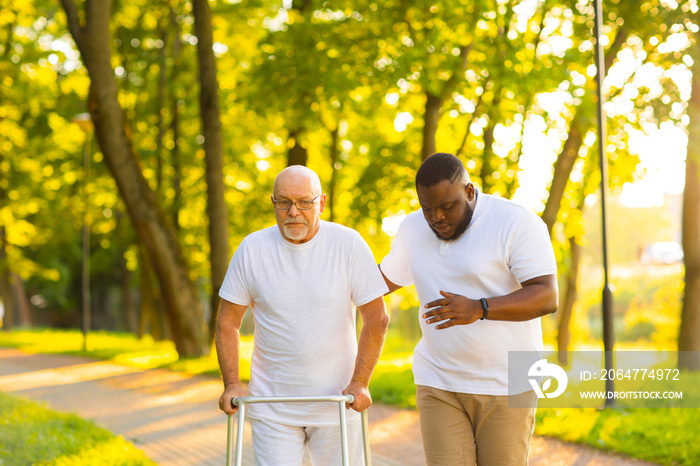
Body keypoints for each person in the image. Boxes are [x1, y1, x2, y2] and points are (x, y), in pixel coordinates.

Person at [379, 153, 558, 466]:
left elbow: (546, 295)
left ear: (470, 192)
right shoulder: (411, 229)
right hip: (439, 381)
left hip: (506, 384)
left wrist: (480, 308)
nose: (437, 217)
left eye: (447, 206)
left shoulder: (515, 222)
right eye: (427, 208)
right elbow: (378, 282)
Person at [216, 165, 389, 466]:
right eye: (283, 202)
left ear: (321, 203)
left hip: (338, 405)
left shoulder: (348, 245)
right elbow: (227, 321)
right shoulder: (252, 249)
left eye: (304, 202)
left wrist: (360, 381)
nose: (293, 211)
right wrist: (231, 383)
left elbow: (377, 318)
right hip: (273, 406)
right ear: (273, 203)